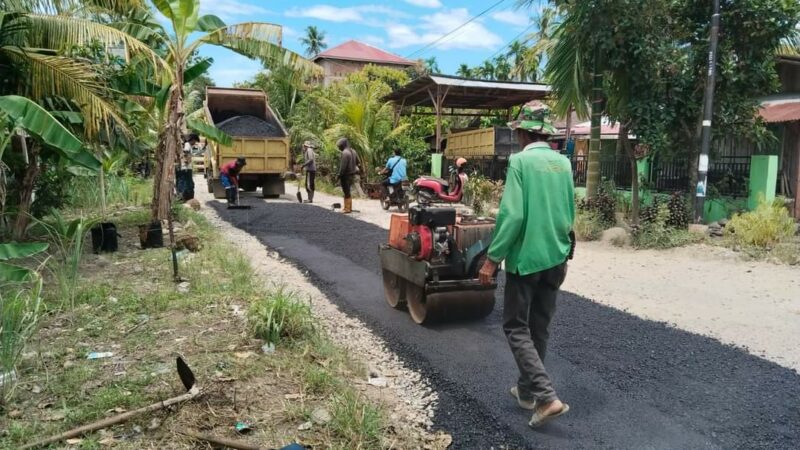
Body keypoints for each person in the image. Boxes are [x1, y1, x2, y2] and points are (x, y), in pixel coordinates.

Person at [478, 102, 575, 428]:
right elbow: (569, 212)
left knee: (516, 327)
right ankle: (526, 391)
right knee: (539, 328)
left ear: (521, 132)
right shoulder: (563, 163)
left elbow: (513, 215)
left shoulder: (520, 161)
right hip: (557, 257)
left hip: (527, 261)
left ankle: (546, 398)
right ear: (545, 132)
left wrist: (492, 259)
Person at [337, 138, 358, 213]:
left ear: (342, 145)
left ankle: (347, 209)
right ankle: (349, 207)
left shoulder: (345, 153)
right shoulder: (353, 151)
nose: (339, 148)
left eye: (339, 147)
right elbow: (357, 162)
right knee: (348, 191)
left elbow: (343, 167)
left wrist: (339, 175)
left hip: (345, 175)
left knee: (346, 191)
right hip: (352, 174)